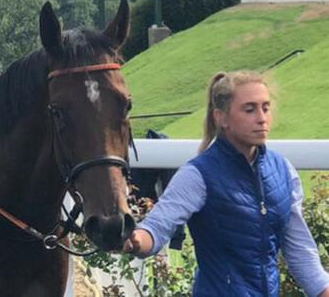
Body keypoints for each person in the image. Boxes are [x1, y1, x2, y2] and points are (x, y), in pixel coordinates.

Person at [124, 71, 329, 297]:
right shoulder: (198, 175)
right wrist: (136, 240)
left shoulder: (283, 171)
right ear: (221, 118)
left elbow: (299, 250)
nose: (262, 118)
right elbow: (159, 224)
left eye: (266, 108)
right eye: (249, 109)